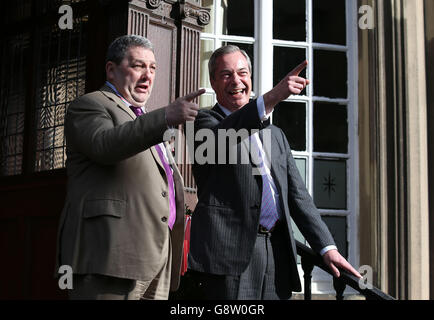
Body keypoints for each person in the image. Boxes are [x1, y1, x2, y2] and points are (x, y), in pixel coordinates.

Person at [187, 45, 361, 300]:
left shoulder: (274, 134)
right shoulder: (203, 124)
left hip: (276, 254)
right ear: (213, 81)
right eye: (226, 74)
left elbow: (298, 197)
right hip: (229, 259)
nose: (236, 81)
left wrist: (326, 247)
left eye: (242, 72)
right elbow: (223, 138)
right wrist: (273, 97)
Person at [55, 35, 204, 300]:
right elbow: (105, 146)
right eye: (138, 66)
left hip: (156, 258)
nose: (148, 75)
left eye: (153, 68)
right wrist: (166, 117)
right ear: (112, 69)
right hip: (110, 258)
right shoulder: (90, 105)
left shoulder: (145, 120)